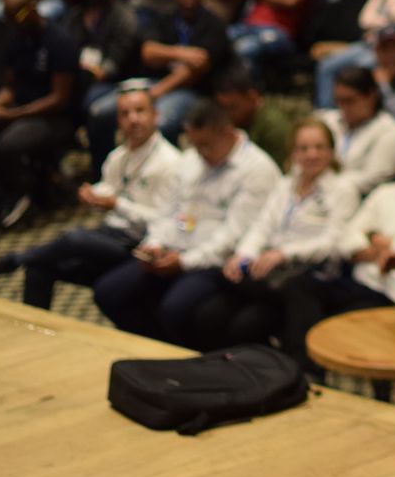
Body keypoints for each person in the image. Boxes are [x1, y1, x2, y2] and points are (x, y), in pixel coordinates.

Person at [0, 83, 182, 309]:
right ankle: (35, 332)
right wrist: (93, 196)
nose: (133, 119)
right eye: (125, 114)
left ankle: (11, 261)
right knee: (40, 265)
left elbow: (163, 220)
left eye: (140, 111)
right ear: (118, 121)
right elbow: (109, 192)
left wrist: (117, 204)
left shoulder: (171, 162)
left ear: (155, 115)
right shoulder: (118, 156)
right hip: (107, 234)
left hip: (137, 244)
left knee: (74, 239)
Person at [278, 128, 395, 375]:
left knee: (340, 323)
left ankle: (320, 375)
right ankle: (302, 372)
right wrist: (381, 243)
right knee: (299, 286)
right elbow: (346, 240)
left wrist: (374, 237)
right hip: (359, 281)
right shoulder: (386, 193)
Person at [92, 99, 280, 347]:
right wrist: (155, 245)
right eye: (194, 144)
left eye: (206, 145)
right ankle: (155, 349)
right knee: (109, 292)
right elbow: (170, 213)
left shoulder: (257, 169)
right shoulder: (191, 160)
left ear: (227, 132)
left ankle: (183, 363)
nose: (200, 152)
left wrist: (183, 262)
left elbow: (232, 236)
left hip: (217, 262)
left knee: (175, 309)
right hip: (175, 248)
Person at [191, 116, 359, 349]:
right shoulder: (285, 184)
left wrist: (284, 253)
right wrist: (244, 254)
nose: (312, 154)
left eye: (319, 147)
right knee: (208, 314)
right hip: (269, 271)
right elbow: (262, 225)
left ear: (331, 151)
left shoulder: (342, 190)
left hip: (307, 278)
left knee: (245, 325)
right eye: (304, 148)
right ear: (294, 153)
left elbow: (332, 243)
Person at [86, 0, 232, 149]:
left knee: (161, 122)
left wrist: (157, 92)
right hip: (153, 83)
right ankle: (106, 171)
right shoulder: (165, 17)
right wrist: (182, 53)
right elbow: (148, 53)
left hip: (192, 91)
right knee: (99, 112)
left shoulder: (214, 24)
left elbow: (194, 70)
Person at [0, 0, 80, 229]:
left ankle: (20, 195)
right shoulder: (16, 39)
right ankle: (2, 192)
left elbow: (58, 99)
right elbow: (10, 86)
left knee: (8, 144)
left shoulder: (60, 41)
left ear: (31, 10)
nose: (9, 22)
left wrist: (13, 114)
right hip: (23, 109)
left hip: (55, 117)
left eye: (14, 15)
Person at [62, 0, 141, 174]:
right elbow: (67, 48)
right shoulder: (75, 15)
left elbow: (119, 57)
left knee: (92, 105)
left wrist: (100, 71)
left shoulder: (122, 15)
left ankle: (101, 168)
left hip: (115, 80)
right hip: (80, 75)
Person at [317, 67, 395, 196]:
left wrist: (328, 183)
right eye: (338, 101)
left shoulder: (391, 131)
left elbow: (375, 179)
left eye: (349, 101)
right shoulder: (325, 120)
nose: (343, 107)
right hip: (315, 195)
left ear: (371, 96)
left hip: (361, 201)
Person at [213, 64, 296, 166]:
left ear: (252, 97)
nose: (227, 114)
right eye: (223, 108)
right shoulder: (235, 122)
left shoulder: (274, 126)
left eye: (232, 107)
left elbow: (281, 170)